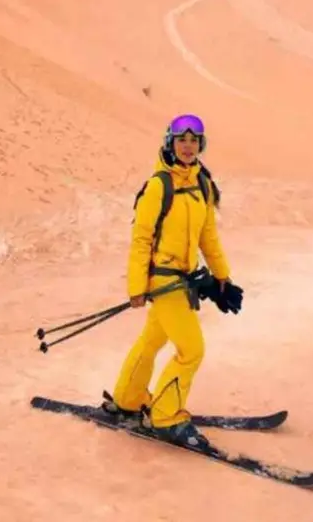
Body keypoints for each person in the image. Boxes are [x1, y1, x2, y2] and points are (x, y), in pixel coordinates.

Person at [101, 114, 234, 449]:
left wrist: (222, 275)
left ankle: (129, 399)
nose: (188, 146)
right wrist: (136, 287)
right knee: (191, 350)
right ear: (170, 142)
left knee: (151, 342)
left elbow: (208, 236)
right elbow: (141, 239)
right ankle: (165, 416)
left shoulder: (201, 183)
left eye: (194, 140)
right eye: (181, 140)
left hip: (185, 281)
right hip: (165, 282)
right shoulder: (159, 185)